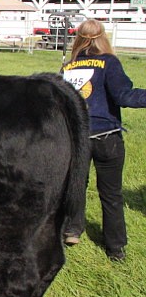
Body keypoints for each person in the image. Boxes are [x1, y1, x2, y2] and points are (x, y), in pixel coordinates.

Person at [61, 19, 146, 262]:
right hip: (106, 136)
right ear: (103, 36)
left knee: (76, 185)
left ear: (78, 37)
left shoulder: (68, 66)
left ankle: (71, 229)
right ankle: (115, 247)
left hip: (76, 137)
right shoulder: (109, 62)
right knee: (111, 194)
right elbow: (123, 96)